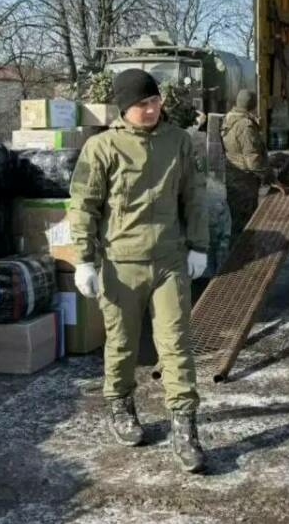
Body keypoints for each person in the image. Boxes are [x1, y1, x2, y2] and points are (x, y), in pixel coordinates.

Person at [68, 69, 210, 472]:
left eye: (154, 101)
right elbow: (83, 205)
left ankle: (185, 427)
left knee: (176, 344)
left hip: (168, 261)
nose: (150, 110)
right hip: (120, 264)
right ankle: (121, 406)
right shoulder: (102, 148)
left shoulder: (178, 141)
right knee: (123, 343)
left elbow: (194, 196)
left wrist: (199, 245)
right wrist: (84, 258)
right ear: (123, 109)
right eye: (140, 105)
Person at [221, 89, 285, 236]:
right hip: (244, 184)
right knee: (246, 228)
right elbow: (253, 161)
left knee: (238, 225)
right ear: (253, 105)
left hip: (233, 178)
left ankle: (237, 256)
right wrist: (271, 179)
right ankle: (243, 258)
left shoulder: (230, 118)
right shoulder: (245, 126)